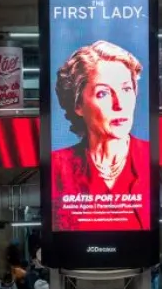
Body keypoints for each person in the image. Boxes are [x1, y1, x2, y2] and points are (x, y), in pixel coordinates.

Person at [51, 41, 151, 231]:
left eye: (126, 89)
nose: (119, 104)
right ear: (78, 105)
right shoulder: (57, 166)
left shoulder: (152, 157)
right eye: (103, 93)